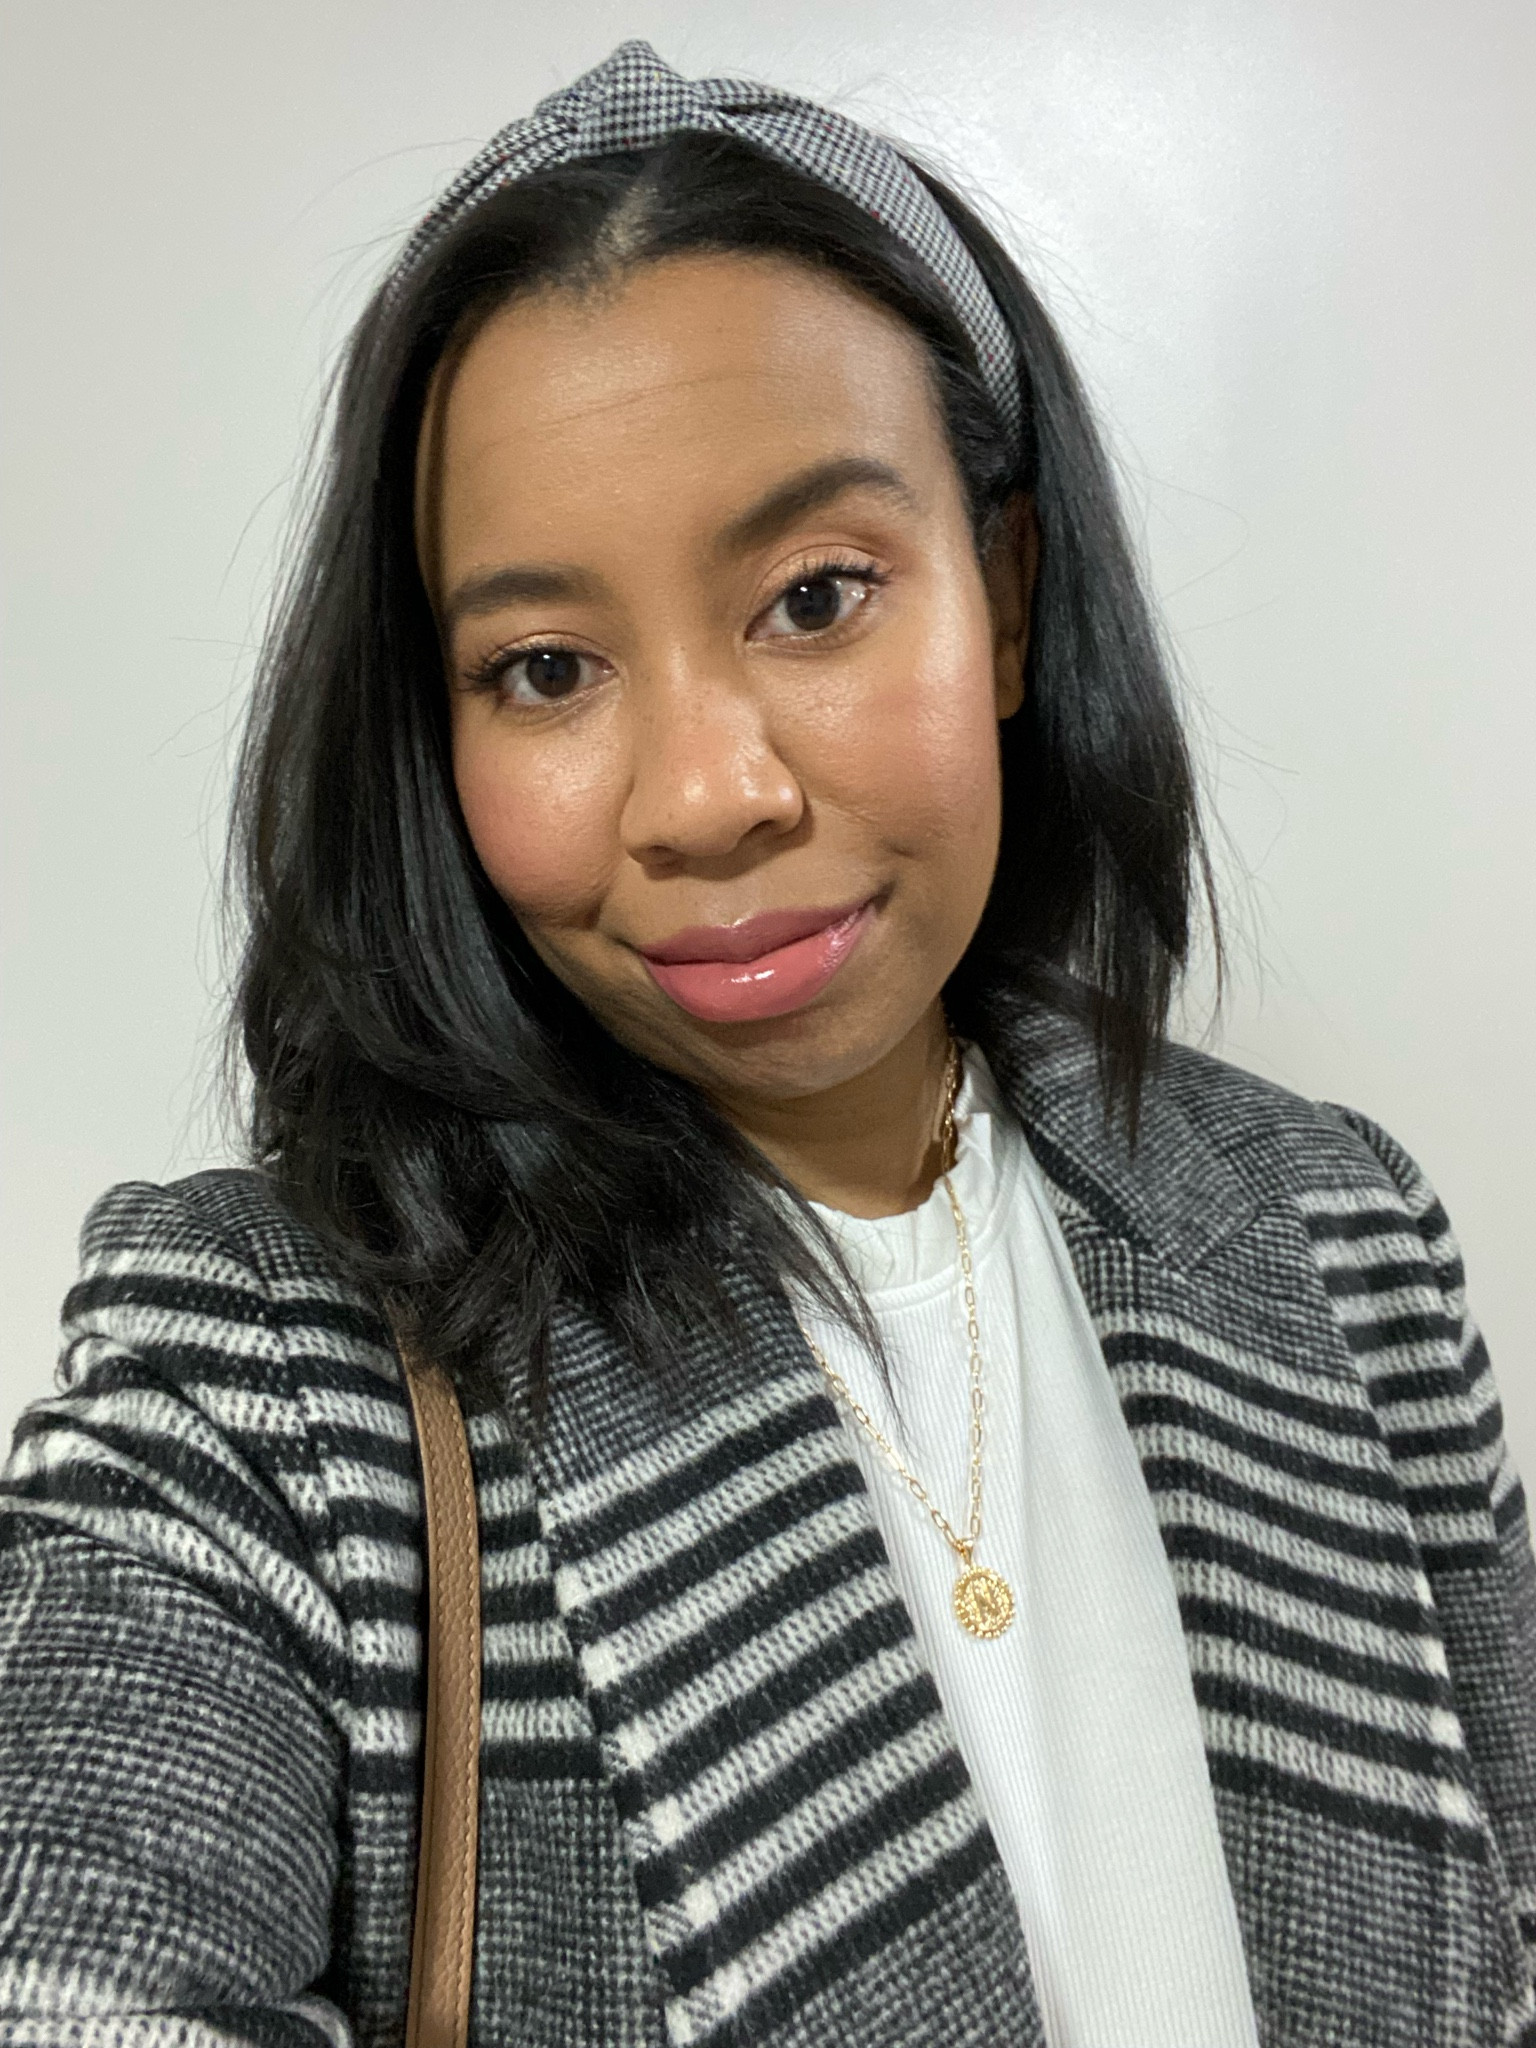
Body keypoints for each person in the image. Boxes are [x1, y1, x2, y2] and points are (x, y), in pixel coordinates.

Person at [1, 38, 1531, 2048]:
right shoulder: (264, 1368)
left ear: (1001, 578)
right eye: (544, 666)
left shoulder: (1339, 1232)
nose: (708, 795)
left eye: (818, 595)